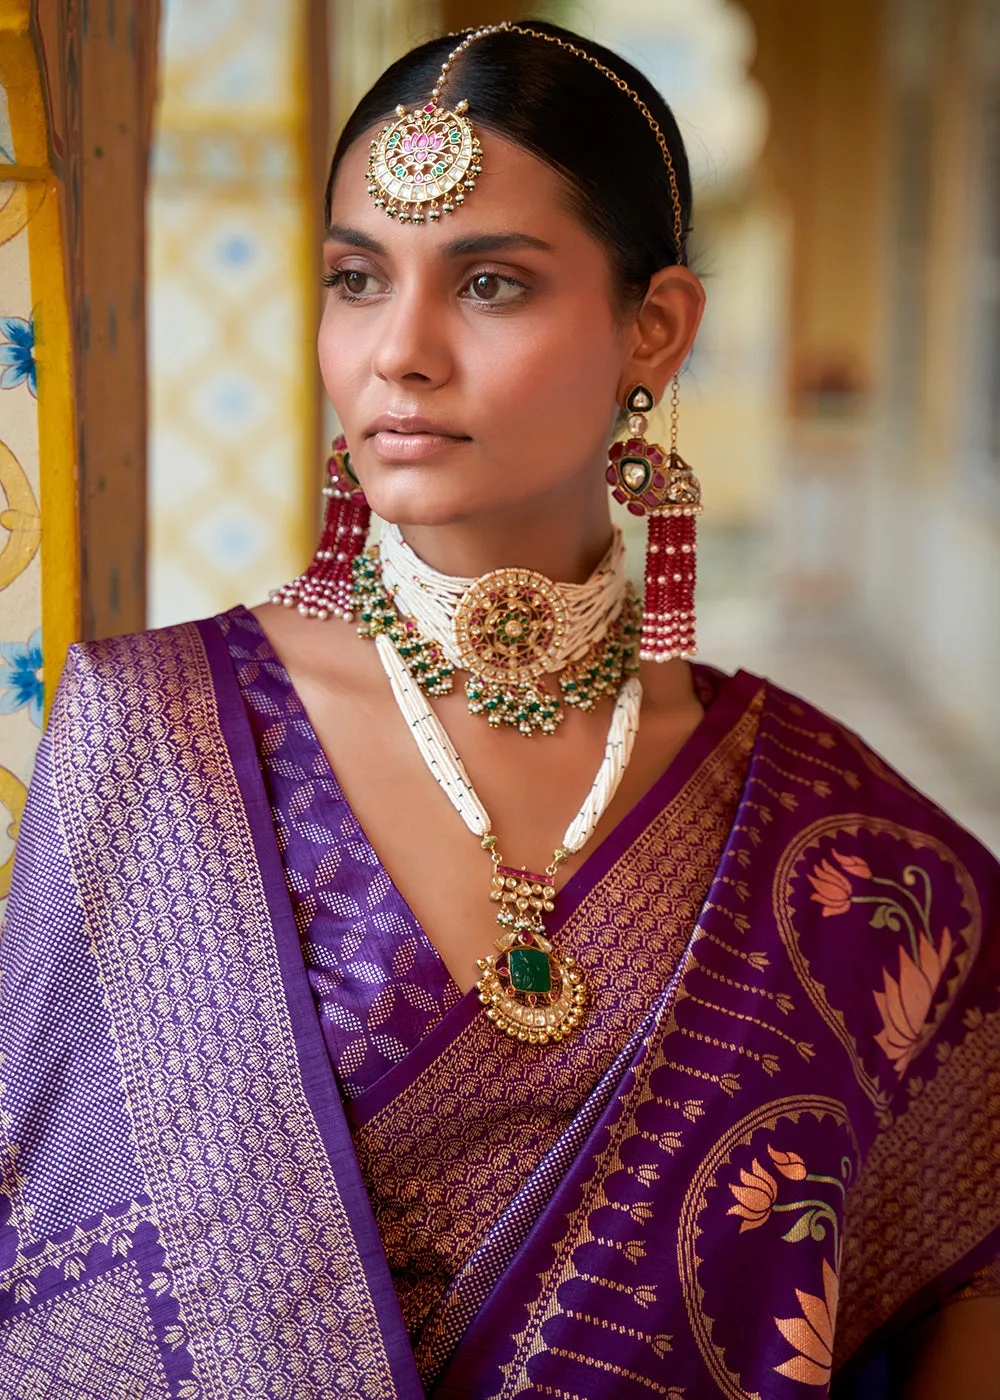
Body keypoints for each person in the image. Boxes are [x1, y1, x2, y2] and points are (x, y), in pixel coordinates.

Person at [1, 20, 997, 1400]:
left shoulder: (851, 857)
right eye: (357, 279)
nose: (397, 353)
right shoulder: (152, 736)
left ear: (654, 328)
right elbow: (47, 1269)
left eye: (491, 285)